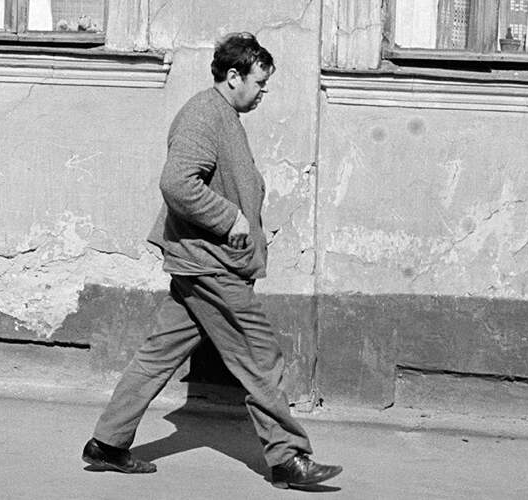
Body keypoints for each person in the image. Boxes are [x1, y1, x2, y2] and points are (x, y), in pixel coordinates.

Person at [81, 32, 343, 489]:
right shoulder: (204, 115)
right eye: (259, 83)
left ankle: (107, 443)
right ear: (233, 76)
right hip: (211, 264)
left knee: (159, 354)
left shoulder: (222, 115)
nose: (262, 93)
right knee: (260, 356)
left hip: (199, 262)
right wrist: (229, 218)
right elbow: (177, 182)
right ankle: (287, 458)